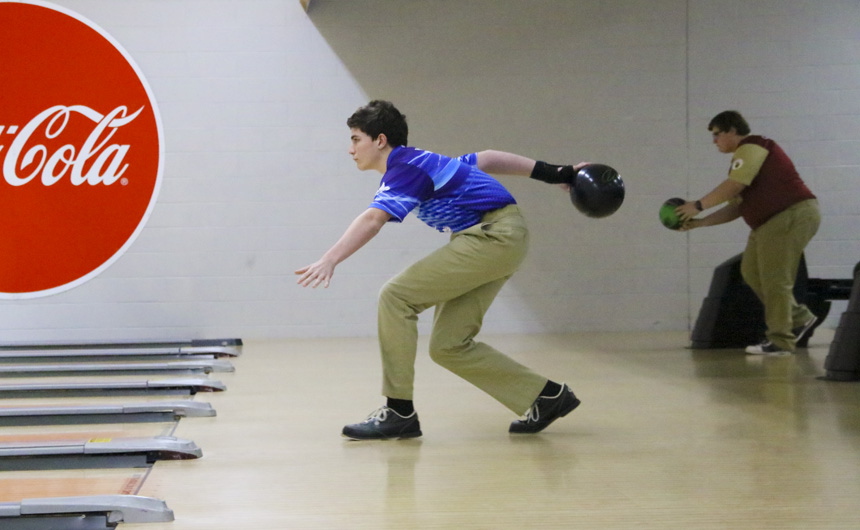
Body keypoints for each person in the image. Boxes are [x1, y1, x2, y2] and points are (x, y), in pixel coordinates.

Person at [295, 100, 584, 440]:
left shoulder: (406, 167)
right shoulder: (423, 162)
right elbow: (488, 158)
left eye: (356, 139)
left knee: (396, 297)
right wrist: (559, 173)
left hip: (492, 237)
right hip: (499, 238)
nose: (351, 149)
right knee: (449, 346)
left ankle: (399, 411)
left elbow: (374, 219)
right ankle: (545, 396)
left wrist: (330, 259)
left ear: (380, 140)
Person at [676, 110, 821, 356]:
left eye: (717, 134)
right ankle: (799, 318)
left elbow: (734, 186)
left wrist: (698, 205)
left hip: (790, 215)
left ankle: (781, 341)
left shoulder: (752, 146)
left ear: (733, 130)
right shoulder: (743, 161)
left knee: (775, 279)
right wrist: (700, 223)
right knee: (751, 272)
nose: (714, 141)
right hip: (770, 222)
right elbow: (736, 207)